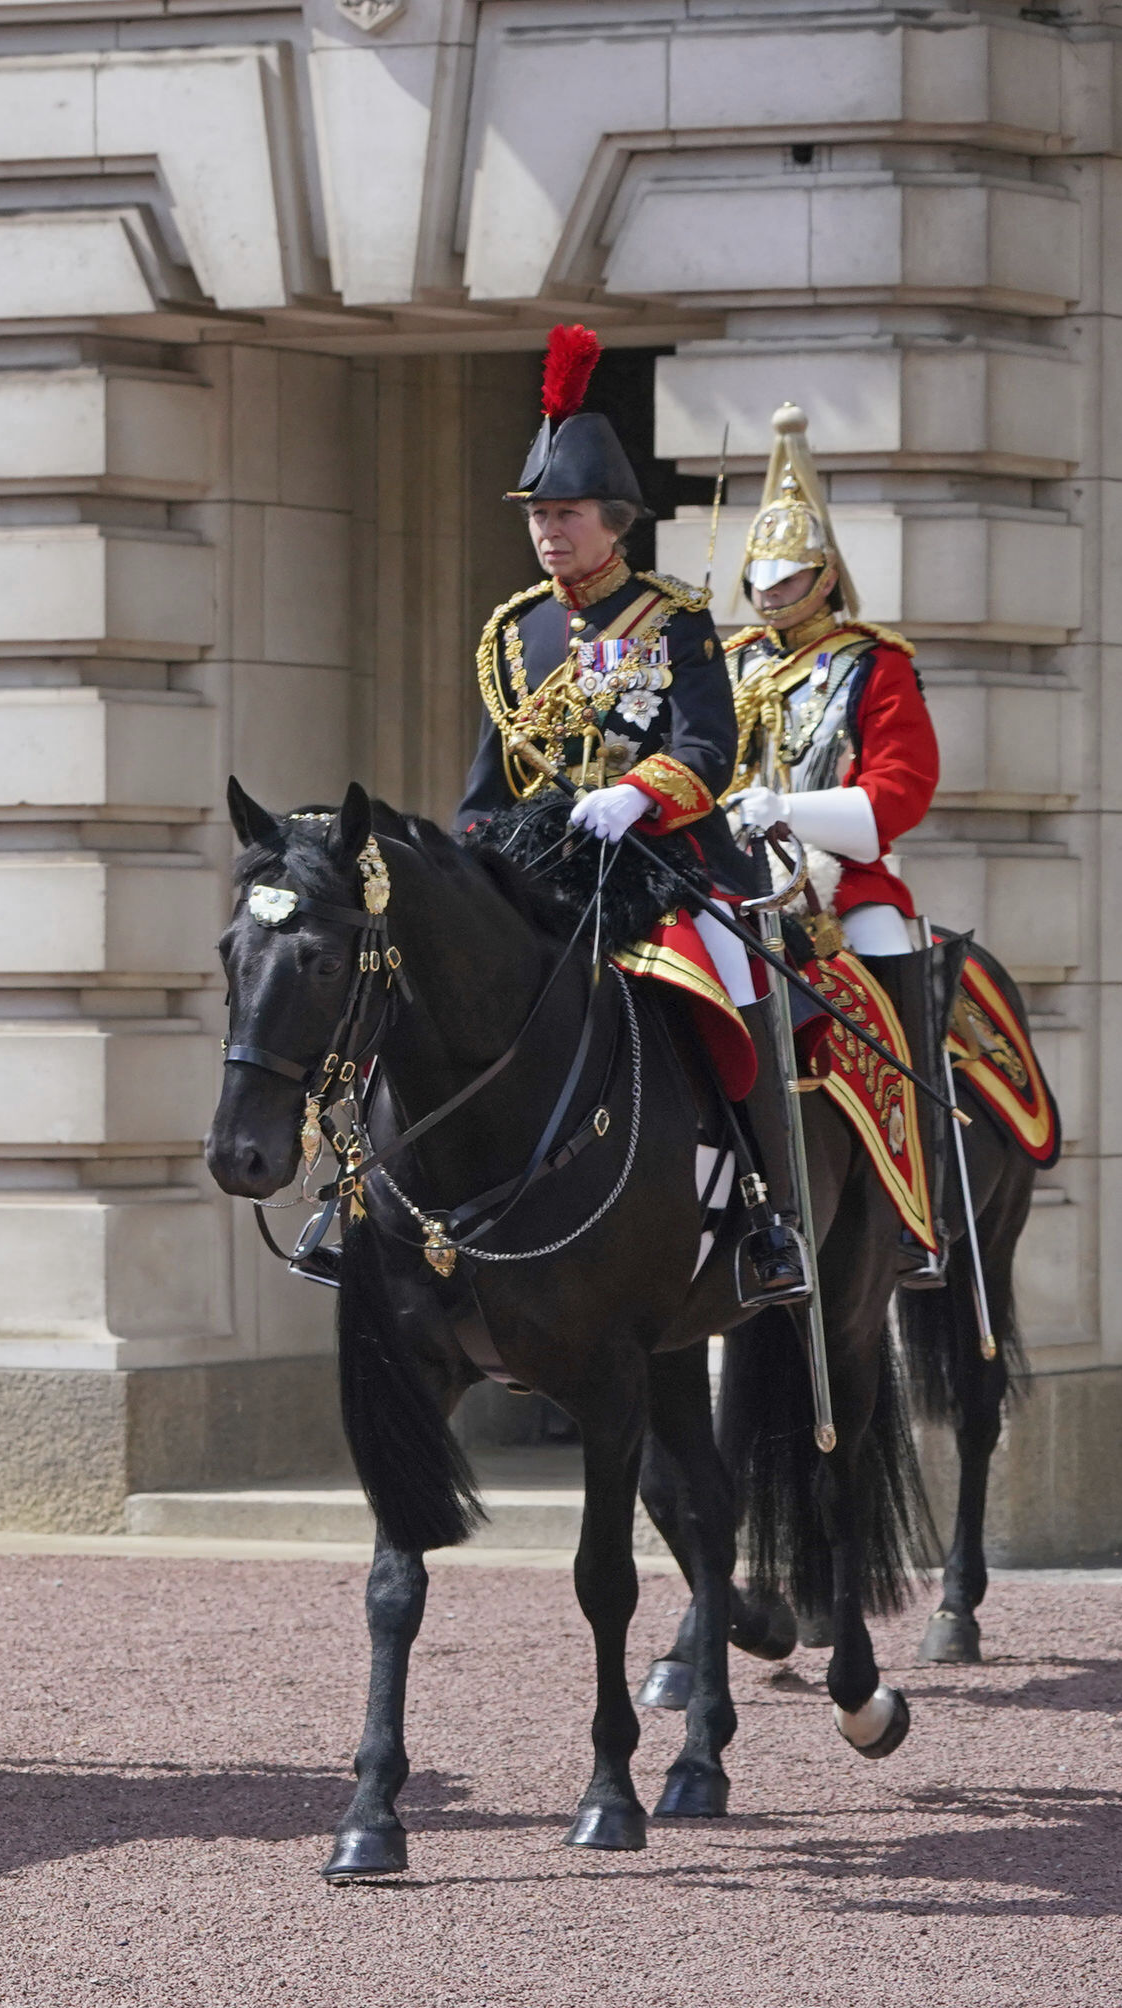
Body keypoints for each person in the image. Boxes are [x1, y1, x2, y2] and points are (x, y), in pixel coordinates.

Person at [457, 325, 807, 1305]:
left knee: (732, 978)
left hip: (661, 866)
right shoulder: (513, 629)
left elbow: (709, 748)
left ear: (612, 520)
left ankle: (764, 1212)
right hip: (543, 873)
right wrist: (467, 860)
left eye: (564, 513)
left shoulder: (674, 618)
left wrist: (636, 793)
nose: (546, 531)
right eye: (537, 513)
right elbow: (489, 780)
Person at [721, 402, 948, 1284]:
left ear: (822, 577)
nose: (772, 596)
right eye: (762, 581)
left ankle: (914, 1208)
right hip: (737, 876)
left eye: (788, 581)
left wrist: (792, 809)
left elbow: (901, 790)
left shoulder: (875, 663)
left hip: (843, 886)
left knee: (890, 975)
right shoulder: (733, 661)